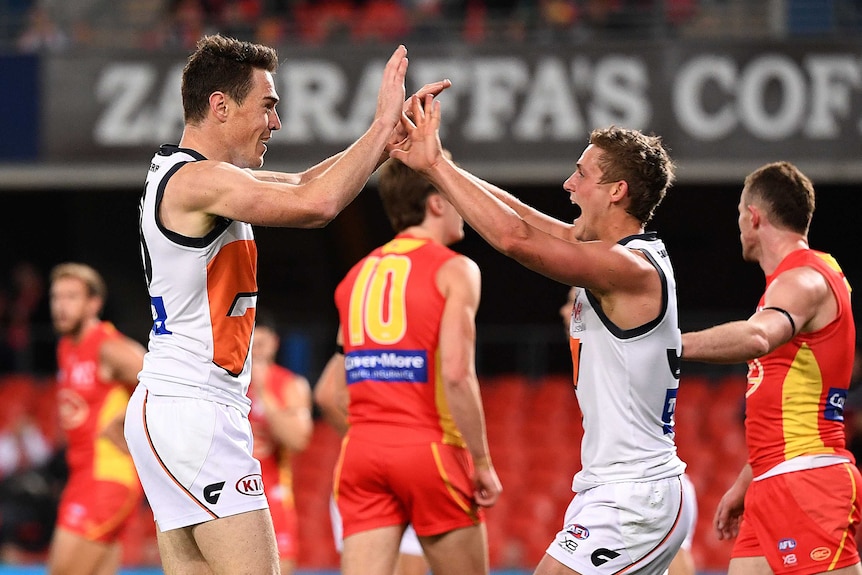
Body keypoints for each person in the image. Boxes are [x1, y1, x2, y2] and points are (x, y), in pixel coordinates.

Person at [123, 34, 450, 575]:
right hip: (194, 410)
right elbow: (316, 204)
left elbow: (303, 181)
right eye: (268, 105)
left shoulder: (193, 176)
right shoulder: (198, 180)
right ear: (220, 105)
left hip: (178, 406)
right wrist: (377, 126)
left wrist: (384, 139)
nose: (277, 122)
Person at [392, 96, 695, 575]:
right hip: (617, 488)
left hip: (636, 493)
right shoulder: (618, 254)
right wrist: (439, 168)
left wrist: (435, 166)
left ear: (616, 191)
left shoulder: (628, 267)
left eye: (581, 173)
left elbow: (516, 239)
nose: (567, 184)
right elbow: (520, 215)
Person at [317, 156, 502, 575]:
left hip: (361, 454)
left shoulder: (356, 277)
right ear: (436, 203)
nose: (465, 205)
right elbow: (456, 374)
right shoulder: (456, 269)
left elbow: (333, 390)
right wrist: (483, 462)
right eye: (455, 193)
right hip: (430, 449)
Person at [681, 161, 861, 575]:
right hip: (771, 480)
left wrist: (670, 346)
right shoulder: (795, 282)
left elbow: (758, 337)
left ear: (754, 216)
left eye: (740, 215)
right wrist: (748, 481)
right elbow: (786, 398)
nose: (739, 225)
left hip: (809, 478)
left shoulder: (803, 280)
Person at [558, 287, 698, 575]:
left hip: (640, 487)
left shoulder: (628, 347)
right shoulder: (597, 365)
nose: (566, 312)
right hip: (617, 486)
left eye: (575, 303)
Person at [48, 262, 147, 575]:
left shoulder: (108, 347)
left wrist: (123, 424)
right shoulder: (66, 346)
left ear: (94, 304)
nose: (60, 307)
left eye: (71, 297)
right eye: (56, 297)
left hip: (107, 477)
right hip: (82, 476)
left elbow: (162, 384)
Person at [315, 341, 429, 575]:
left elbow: (327, 395)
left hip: (367, 463)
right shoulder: (412, 334)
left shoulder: (361, 327)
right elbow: (326, 395)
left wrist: (367, 438)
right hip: (409, 464)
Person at [247, 311, 313, 575]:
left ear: (274, 343)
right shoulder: (223, 382)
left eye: (261, 344)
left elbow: (299, 439)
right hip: (227, 493)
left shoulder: (289, 385)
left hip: (272, 494)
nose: (255, 352)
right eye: (250, 344)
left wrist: (263, 391)